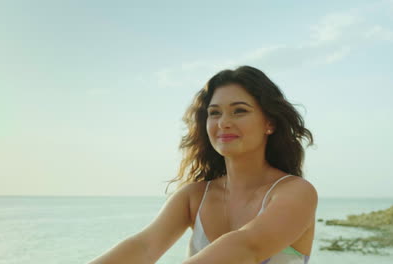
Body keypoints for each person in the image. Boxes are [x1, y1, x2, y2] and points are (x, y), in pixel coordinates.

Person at [88, 65, 317, 264]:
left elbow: (246, 248)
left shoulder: (295, 192)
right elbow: (144, 247)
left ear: (270, 123)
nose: (223, 123)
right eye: (214, 113)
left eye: (239, 111)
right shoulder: (194, 196)